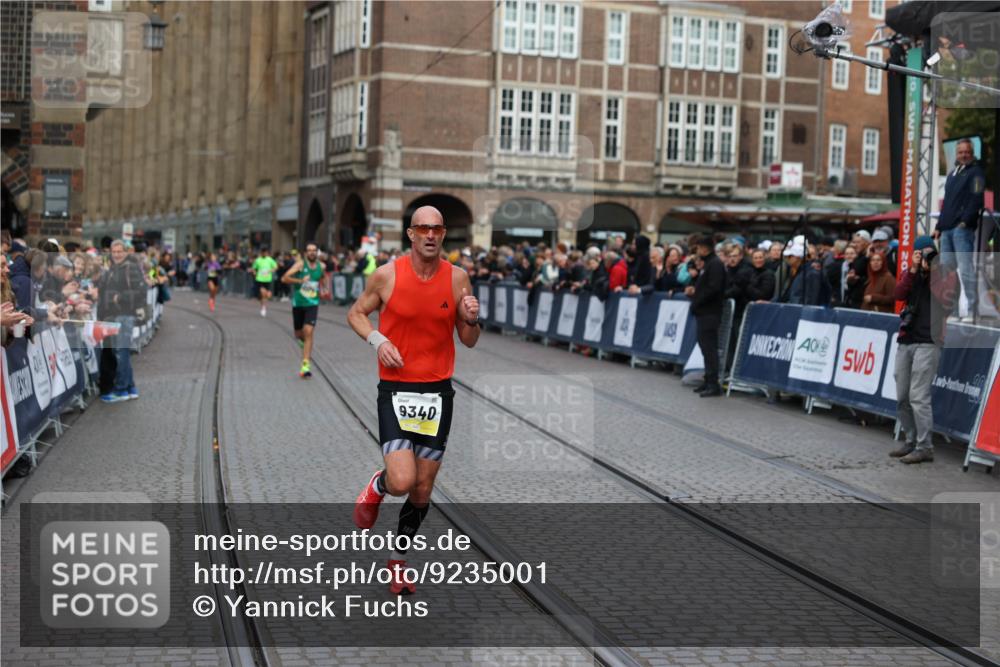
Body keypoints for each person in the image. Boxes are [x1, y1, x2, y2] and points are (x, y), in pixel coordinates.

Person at [348, 205, 480, 595]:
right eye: (423, 228)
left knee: (422, 490)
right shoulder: (386, 275)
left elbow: (469, 341)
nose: (430, 235)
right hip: (396, 389)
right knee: (402, 480)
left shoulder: (459, 279)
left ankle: (398, 561)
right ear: (410, 234)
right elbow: (356, 314)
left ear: (443, 235)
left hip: (438, 393)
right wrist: (379, 339)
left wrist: (472, 319)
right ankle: (378, 485)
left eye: (437, 229)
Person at [891, 236, 958, 464]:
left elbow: (948, 302)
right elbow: (898, 294)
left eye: (929, 253)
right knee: (902, 396)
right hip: (906, 339)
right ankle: (910, 440)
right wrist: (912, 270)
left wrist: (932, 272)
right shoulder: (911, 273)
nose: (925, 257)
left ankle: (925, 446)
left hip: (929, 341)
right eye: (920, 253)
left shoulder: (946, 273)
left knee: (918, 396)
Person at [935, 138, 985, 322]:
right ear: (957, 154)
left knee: (965, 270)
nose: (963, 155)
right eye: (960, 152)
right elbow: (946, 204)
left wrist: (964, 222)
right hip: (946, 230)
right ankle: (954, 311)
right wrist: (938, 227)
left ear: (972, 153)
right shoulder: (952, 174)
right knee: (948, 274)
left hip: (961, 230)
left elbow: (977, 199)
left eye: (966, 152)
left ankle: (971, 310)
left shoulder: (977, 173)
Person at [98, 240, 146, 403]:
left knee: (121, 352)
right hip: (114, 315)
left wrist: (120, 297)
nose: (117, 254)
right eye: (114, 251)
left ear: (125, 252)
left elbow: (140, 291)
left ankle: (121, 388)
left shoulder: (130, 268)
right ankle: (131, 387)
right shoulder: (112, 268)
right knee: (121, 351)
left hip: (125, 314)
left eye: (120, 251)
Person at [685, 235, 726, 397]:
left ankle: (713, 383)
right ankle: (708, 380)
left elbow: (713, 288)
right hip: (705, 312)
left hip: (709, 312)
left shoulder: (715, 264)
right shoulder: (709, 264)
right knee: (705, 348)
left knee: (709, 349)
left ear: (705, 248)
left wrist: (698, 299)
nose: (698, 250)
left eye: (699, 247)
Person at [282, 243, 324, 378]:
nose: (312, 253)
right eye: (309, 250)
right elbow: (284, 278)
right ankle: (303, 342)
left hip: (313, 304)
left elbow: (323, 278)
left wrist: (324, 288)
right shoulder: (300, 265)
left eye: (314, 250)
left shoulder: (321, 266)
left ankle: (305, 365)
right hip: (298, 304)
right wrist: (300, 280)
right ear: (306, 253)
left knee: (308, 331)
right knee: (299, 334)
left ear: (317, 252)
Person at [250, 247, 278, 317]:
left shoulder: (270, 259)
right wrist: (254, 272)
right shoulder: (258, 260)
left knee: (267, 295)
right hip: (259, 279)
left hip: (268, 279)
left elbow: (275, 267)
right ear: (261, 253)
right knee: (262, 293)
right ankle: (263, 307)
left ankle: (264, 305)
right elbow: (253, 268)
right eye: (263, 252)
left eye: (266, 252)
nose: (265, 253)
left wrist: (270, 271)